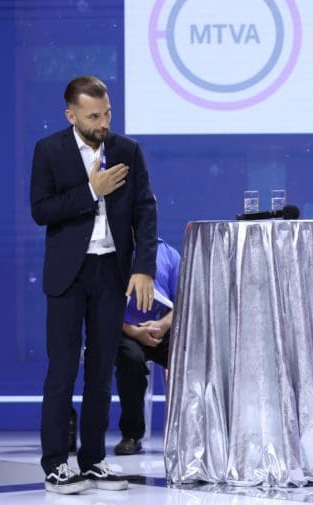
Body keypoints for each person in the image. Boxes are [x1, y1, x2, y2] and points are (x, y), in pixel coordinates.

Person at [30, 75, 158, 494]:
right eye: (94, 116)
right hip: (68, 275)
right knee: (63, 370)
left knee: (102, 370)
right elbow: (41, 210)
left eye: (107, 114)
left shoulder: (127, 150)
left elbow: (145, 210)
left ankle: (94, 459)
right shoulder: (50, 150)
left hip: (110, 272)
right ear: (71, 115)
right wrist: (91, 190)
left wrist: (143, 267)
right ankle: (55, 464)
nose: (103, 123)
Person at [113, 238, 180, 455]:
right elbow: (103, 306)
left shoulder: (170, 254)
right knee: (130, 359)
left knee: (190, 357)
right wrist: (133, 331)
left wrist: (163, 325)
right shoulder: (113, 252)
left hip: (161, 328)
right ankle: (131, 435)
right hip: (126, 331)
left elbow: (184, 300)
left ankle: (191, 432)